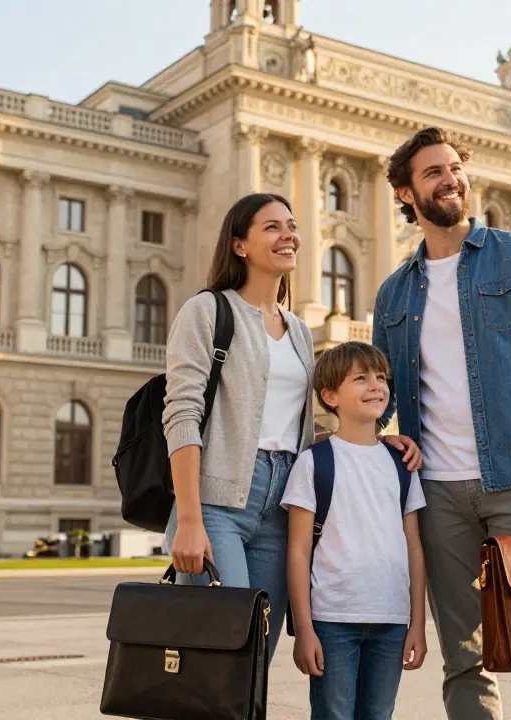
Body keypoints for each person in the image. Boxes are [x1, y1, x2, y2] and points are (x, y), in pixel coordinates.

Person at [372, 127, 511, 720]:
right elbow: (381, 393)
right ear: (405, 194)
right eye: (433, 173)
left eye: (454, 168)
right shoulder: (393, 294)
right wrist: (381, 431)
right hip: (439, 494)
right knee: (463, 660)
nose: (450, 180)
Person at [162, 193, 419, 660]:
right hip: (218, 502)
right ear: (239, 245)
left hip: (283, 504)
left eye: (292, 226)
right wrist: (189, 519)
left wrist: (376, 441)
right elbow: (182, 416)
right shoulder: (206, 312)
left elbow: (291, 429)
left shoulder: (299, 330)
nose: (289, 236)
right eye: (272, 227)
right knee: (219, 649)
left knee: (255, 653)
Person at [282, 341, 428, 720]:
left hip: (392, 622)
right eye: (360, 379)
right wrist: (304, 630)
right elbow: (298, 551)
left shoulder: (402, 464)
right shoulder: (313, 463)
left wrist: (418, 624)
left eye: (381, 377)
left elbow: (414, 547)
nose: (376, 386)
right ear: (330, 396)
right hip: (332, 622)